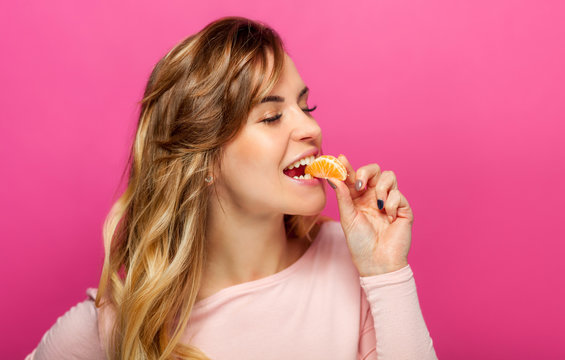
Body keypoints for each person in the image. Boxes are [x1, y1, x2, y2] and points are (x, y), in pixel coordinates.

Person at [26, 16, 438, 360]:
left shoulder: (353, 266)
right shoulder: (122, 324)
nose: (312, 128)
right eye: (272, 117)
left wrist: (386, 272)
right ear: (205, 161)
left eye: (306, 106)